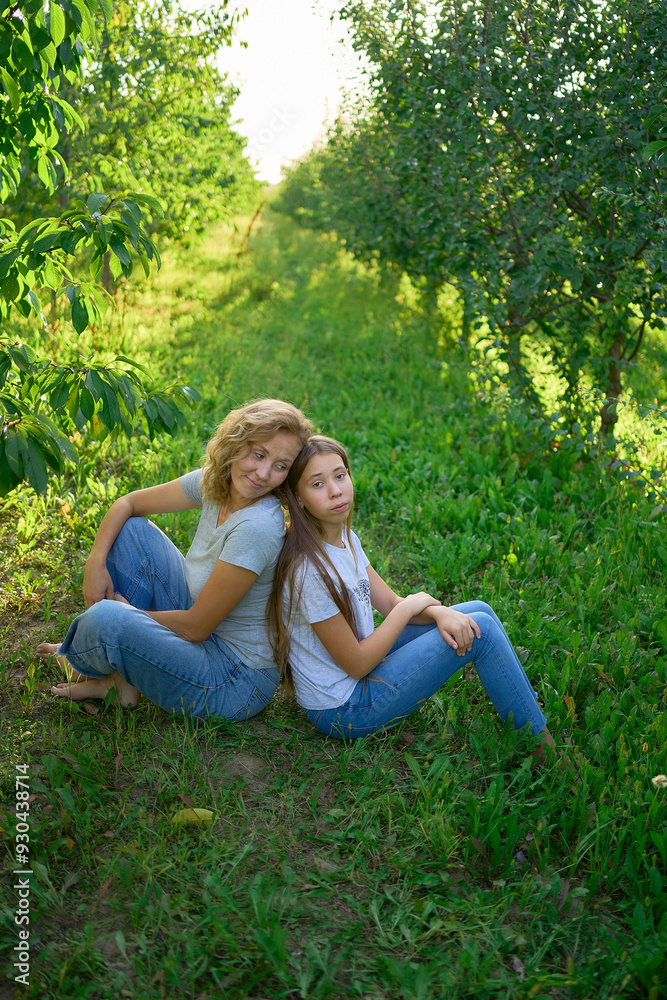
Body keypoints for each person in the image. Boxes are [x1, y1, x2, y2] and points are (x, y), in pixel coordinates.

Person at [268, 435, 562, 763]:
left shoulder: (345, 537)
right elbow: (358, 663)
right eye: (317, 483)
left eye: (339, 475)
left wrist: (435, 613)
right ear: (298, 498)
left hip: (363, 670)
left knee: (479, 611)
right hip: (345, 708)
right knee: (483, 632)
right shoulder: (308, 571)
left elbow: (390, 604)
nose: (335, 490)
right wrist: (413, 605)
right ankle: (542, 747)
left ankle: (525, 708)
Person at [38, 398, 312, 720]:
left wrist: (130, 613)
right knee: (133, 532)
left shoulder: (258, 526)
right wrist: (94, 564)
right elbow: (128, 504)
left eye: (280, 466)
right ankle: (122, 680)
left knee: (109, 620)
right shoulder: (219, 482)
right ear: (237, 442)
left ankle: (89, 662)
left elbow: (196, 627)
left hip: (232, 679)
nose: (263, 473)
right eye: (258, 454)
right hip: (205, 626)